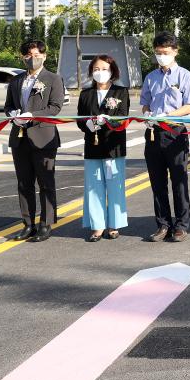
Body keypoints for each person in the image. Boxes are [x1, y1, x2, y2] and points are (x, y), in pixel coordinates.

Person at [4, 39, 65, 242]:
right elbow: (8, 106)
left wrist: (32, 115)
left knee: (46, 183)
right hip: (19, 138)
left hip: (43, 137)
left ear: (44, 56)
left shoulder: (53, 79)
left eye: (37, 55)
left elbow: (55, 107)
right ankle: (28, 224)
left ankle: (45, 224)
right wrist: (13, 114)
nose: (33, 59)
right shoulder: (16, 81)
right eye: (28, 55)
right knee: (24, 183)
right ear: (23, 58)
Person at [140, 32, 190, 243]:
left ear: (175, 51)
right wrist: (148, 114)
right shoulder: (150, 77)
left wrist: (169, 115)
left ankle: (181, 225)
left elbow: (189, 106)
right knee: (157, 183)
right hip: (154, 133)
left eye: (165, 52)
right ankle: (163, 224)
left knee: (179, 181)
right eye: (158, 52)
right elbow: (145, 103)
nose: (161, 56)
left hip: (175, 132)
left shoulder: (185, 76)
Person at [76, 55, 130, 242]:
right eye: (96, 69)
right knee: (93, 187)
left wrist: (107, 121)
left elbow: (123, 117)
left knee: (115, 186)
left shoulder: (121, 92)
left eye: (104, 69)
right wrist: (89, 125)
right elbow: (80, 119)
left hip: (113, 146)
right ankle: (97, 226)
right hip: (92, 145)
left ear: (112, 71)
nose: (100, 73)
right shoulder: (86, 93)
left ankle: (114, 224)